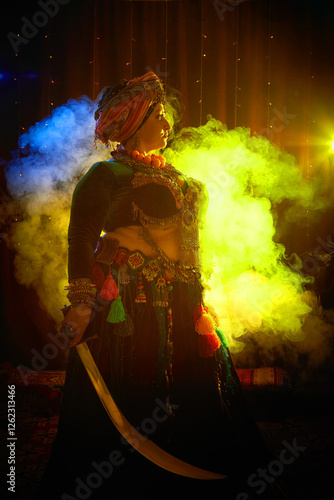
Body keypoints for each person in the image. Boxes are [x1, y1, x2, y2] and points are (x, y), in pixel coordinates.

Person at [38, 72, 287, 499]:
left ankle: (199, 464)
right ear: (133, 120)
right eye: (159, 113)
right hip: (127, 304)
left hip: (183, 301)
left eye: (167, 113)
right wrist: (80, 304)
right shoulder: (106, 176)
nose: (168, 121)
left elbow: (193, 247)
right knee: (129, 383)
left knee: (197, 388)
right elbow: (80, 238)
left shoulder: (188, 183)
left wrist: (202, 299)